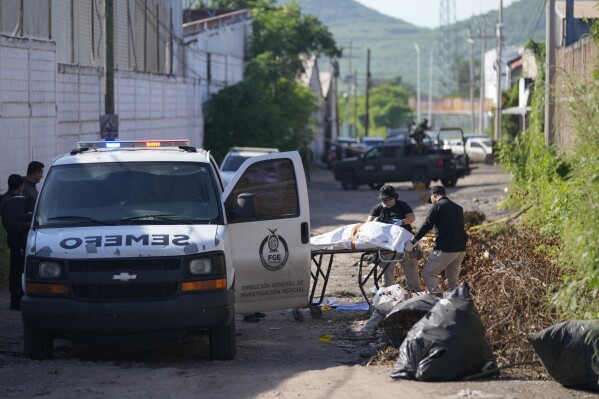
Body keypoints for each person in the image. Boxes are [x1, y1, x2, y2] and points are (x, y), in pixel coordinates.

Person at [409, 185, 467, 296]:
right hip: (460, 249)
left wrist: (413, 240)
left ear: (434, 195)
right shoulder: (458, 207)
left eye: (431, 199)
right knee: (452, 282)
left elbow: (427, 225)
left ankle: (439, 300)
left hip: (446, 249)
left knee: (428, 273)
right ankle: (456, 304)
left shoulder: (437, 207)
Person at [366, 185, 421, 292]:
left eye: (389, 199)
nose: (386, 202)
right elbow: (367, 224)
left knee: (411, 267)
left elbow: (412, 217)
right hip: (386, 244)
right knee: (386, 269)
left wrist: (403, 221)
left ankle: (415, 292)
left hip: (405, 242)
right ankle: (389, 293)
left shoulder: (402, 205)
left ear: (394, 198)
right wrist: (374, 222)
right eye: (384, 200)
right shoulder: (377, 208)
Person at [0, 174, 31, 310]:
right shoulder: (10, 201)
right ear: (19, 186)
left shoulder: (6, 199)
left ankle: (16, 299)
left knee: (16, 269)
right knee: (17, 270)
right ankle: (15, 300)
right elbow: (13, 222)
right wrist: (25, 226)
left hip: (13, 238)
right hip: (15, 239)